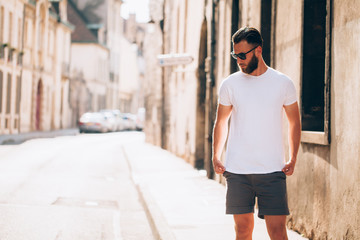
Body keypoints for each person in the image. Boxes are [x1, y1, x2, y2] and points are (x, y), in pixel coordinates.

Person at [212, 26, 301, 240]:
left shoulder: (283, 83)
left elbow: (294, 122)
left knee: (278, 231)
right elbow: (221, 121)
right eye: (235, 55)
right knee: (242, 230)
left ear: (258, 50)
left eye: (243, 55)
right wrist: (215, 154)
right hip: (237, 170)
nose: (239, 60)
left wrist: (293, 157)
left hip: (272, 170)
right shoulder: (230, 84)